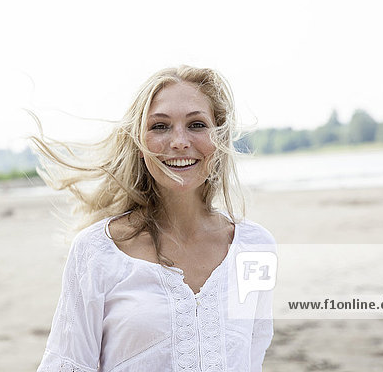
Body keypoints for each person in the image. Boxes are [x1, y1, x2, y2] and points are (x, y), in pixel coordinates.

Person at [31, 65, 276, 372]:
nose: (179, 142)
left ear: (219, 137)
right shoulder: (95, 252)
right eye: (160, 126)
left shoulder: (256, 248)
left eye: (197, 125)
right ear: (139, 142)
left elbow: (250, 361)